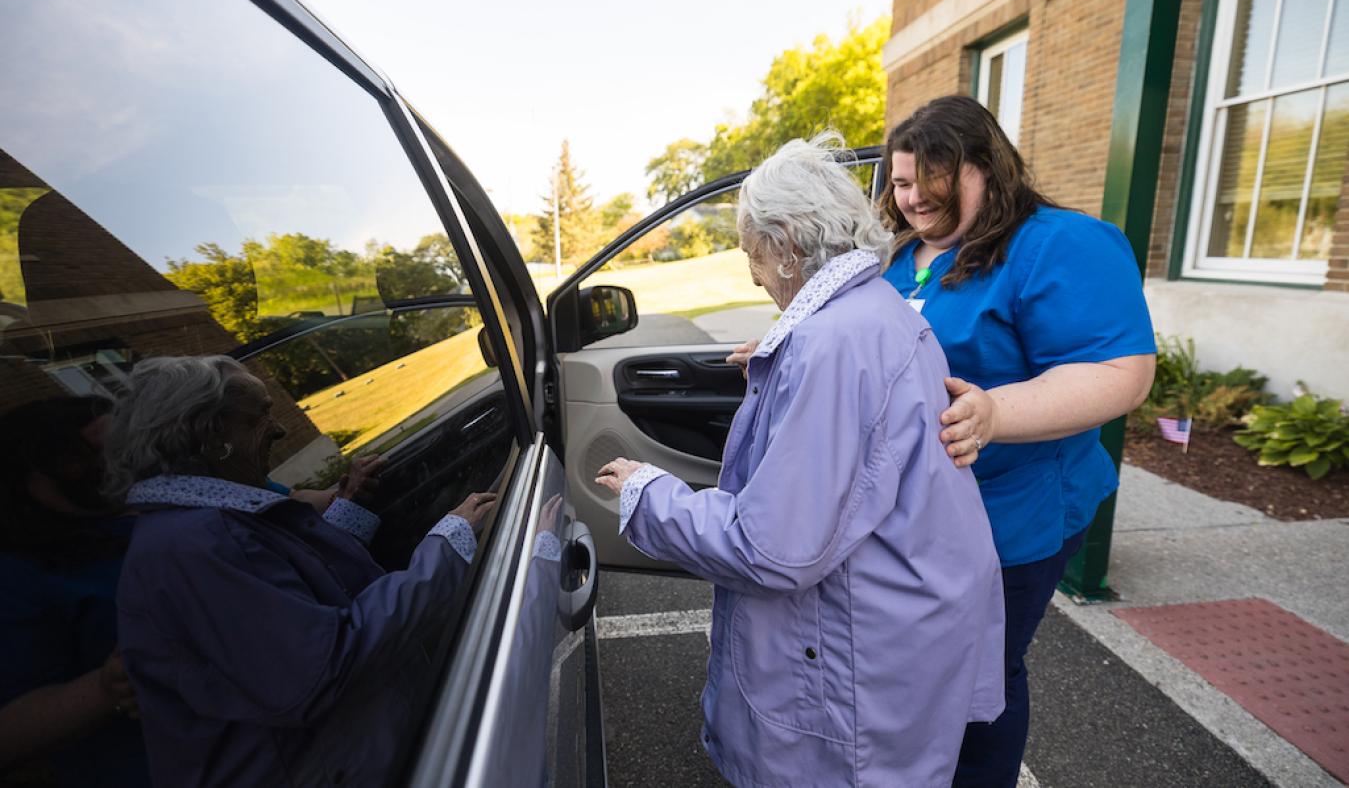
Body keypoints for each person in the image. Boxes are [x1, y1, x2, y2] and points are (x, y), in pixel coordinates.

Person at [595, 134, 1005, 787]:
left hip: (857, 659)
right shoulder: (869, 314)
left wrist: (648, 495)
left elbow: (774, 547)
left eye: (751, 254)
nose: (752, 275)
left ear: (787, 244)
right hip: (899, 626)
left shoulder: (831, 347)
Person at [879, 95, 1156, 787]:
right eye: (902, 182)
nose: (911, 199)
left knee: (979, 679)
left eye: (929, 183)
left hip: (1011, 511)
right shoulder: (907, 254)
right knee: (924, 670)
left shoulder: (1059, 243)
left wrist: (994, 413)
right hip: (916, 515)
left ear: (983, 168)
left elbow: (1120, 372)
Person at [103, 355, 497, 788]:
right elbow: (328, 664)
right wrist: (448, 545)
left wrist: (347, 512)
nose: (278, 428)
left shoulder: (200, 523)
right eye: (259, 416)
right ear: (212, 435)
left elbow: (295, 589)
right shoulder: (195, 545)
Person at [0, 395, 148, 788]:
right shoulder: (19, 575)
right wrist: (104, 688)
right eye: (71, 458)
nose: (101, 467)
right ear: (20, 482)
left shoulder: (155, 503)